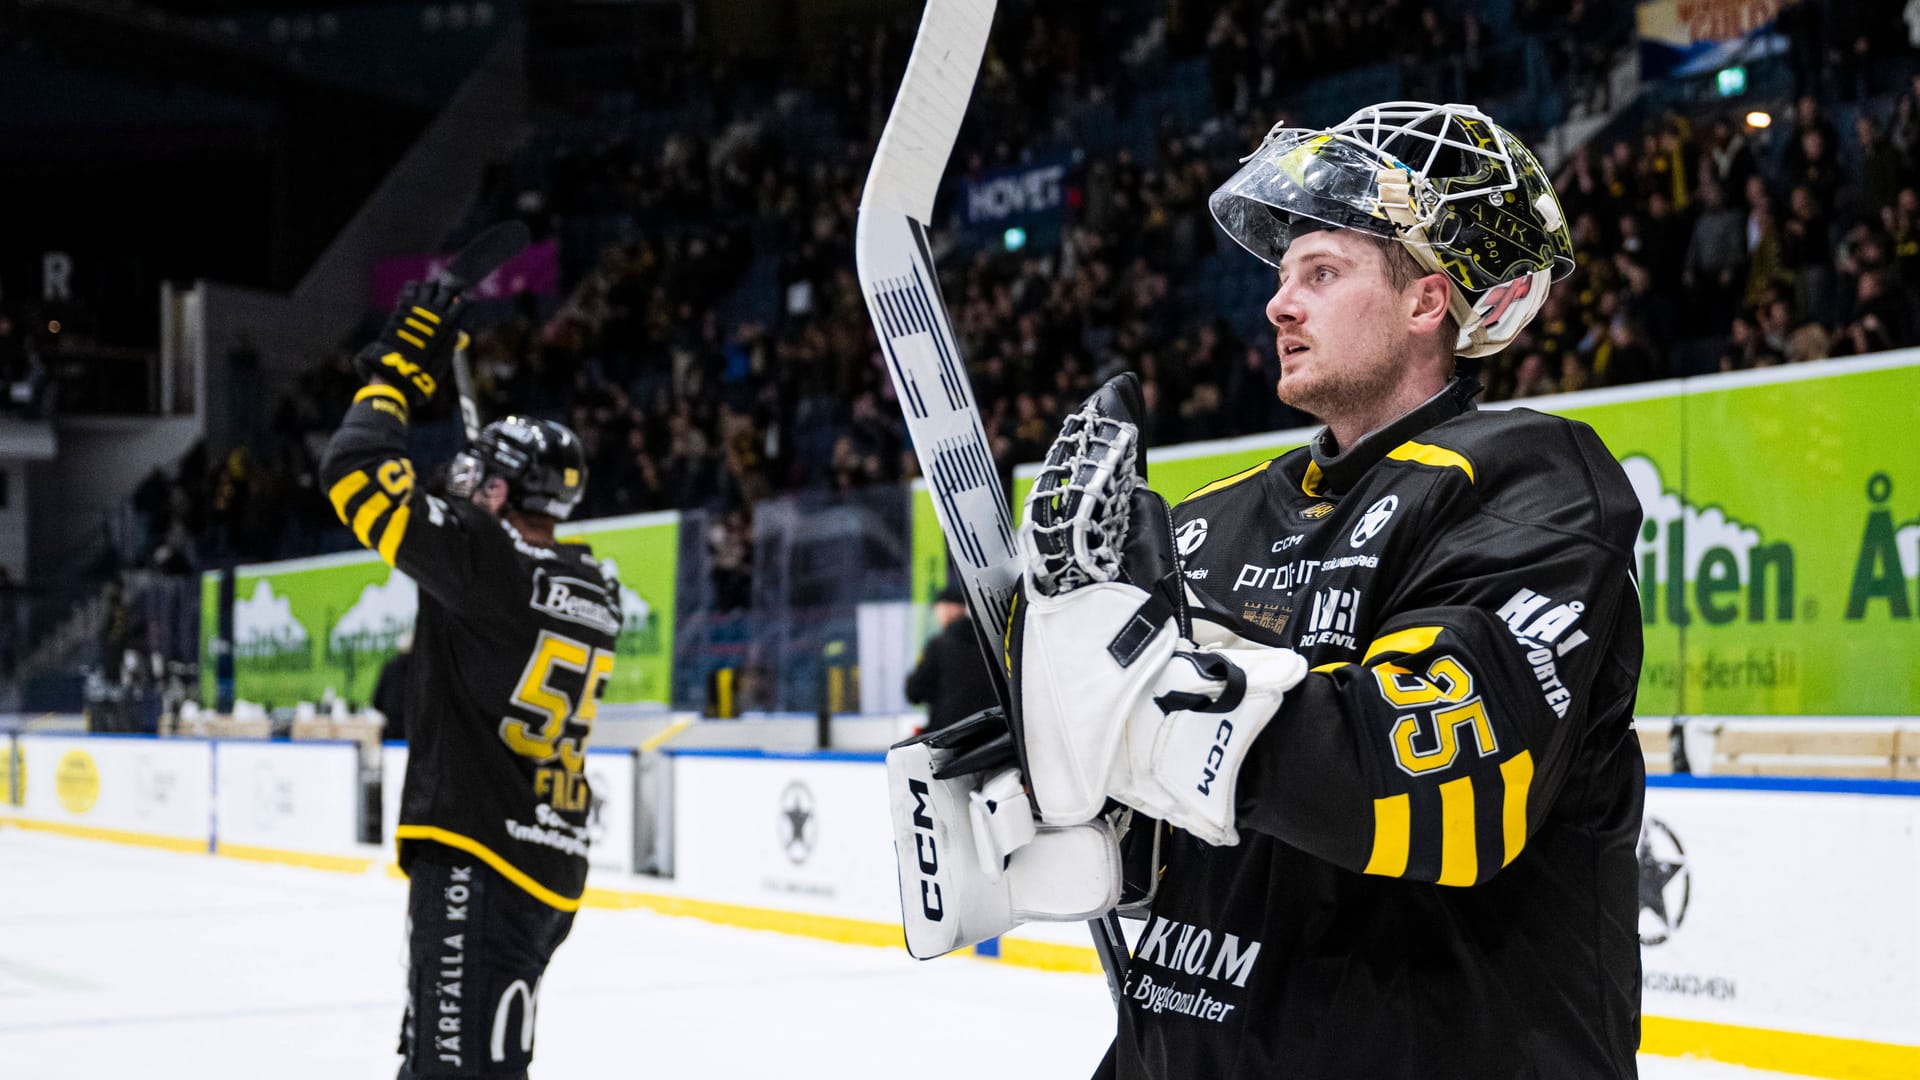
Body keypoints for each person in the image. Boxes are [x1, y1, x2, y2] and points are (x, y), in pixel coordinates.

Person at [1006, 103, 1646, 1078]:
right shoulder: (1207, 522)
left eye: (1322, 273)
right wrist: (1018, 776)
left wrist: (1146, 704)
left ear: (1428, 303)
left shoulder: (1533, 484)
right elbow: (1177, 828)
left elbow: (1422, 785)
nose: (1278, 304)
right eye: (1281, 276)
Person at [319, 278, 622, 1079]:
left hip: (478, 862)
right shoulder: (596, 588)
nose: (455, 478)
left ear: (496, 491)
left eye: (473, 472)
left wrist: (398, 375)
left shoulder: (487, 561)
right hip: (546, 862)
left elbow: (352, 467)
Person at [903, 582, 999, 734]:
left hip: (949, 736)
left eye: (938, 607)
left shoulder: (939, 646)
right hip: (990, 733)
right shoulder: (990, 642)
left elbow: (914, 692)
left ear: (949, 608)